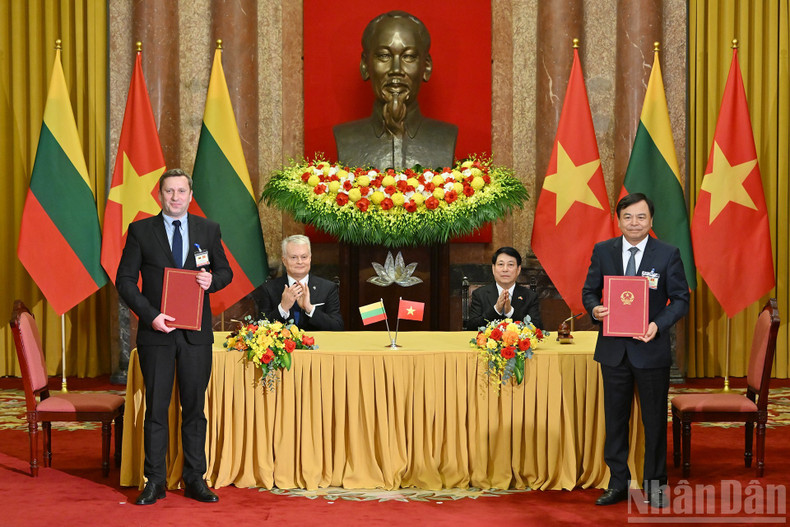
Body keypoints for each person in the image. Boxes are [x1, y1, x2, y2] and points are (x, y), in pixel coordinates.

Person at [117, 168, 233, 505]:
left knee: (194, 409)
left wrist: (214, 281)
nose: (176, 197)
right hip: (158, 335)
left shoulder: (208, 229)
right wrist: (151, 316)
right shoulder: (140, 231)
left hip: (196, 335)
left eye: (181, 191)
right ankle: (154, 481)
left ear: (190, 195)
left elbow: (224, 271)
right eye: (169, 191)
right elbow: (125, 280)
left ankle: (196, 478)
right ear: (160, 195)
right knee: (156, 409)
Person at [581, 193, 689, 508]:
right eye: (628, 217)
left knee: (654, 421)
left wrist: (658, 324)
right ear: (619, 219)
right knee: (615, 420)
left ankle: (655, 485)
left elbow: (681, 299)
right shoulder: (604, 251)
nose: (634, 223)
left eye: (641, 217)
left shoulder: (667, 254)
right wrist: (595, 309)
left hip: (650, 350)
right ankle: (617, 483)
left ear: (651, 221)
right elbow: (589, 291)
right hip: (613, 351)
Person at [333, 10, 457, 170]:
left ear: (426, 66)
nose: (396, 69)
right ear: (365, 65)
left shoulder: (445, 137)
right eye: (384, 56)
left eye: (409, 56)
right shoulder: (345, 137)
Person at [253, 235, 344, 331]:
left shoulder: (328, 288)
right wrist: (282, 308)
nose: (300, 262)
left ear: (310, 258)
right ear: (284, 260)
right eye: (294, 257)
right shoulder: (268, 289)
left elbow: (337, 327)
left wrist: (310, 309)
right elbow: (260, 328)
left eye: (304, 257)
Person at [465, 246, 542, 331]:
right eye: (501, 264)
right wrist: (496, 310)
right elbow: (471, 327)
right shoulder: (480, 294)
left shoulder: (530, 296)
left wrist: (510, 312)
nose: (505, 269)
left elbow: (537, 328)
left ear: (518, 270)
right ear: (493, 269)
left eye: (510, 265)